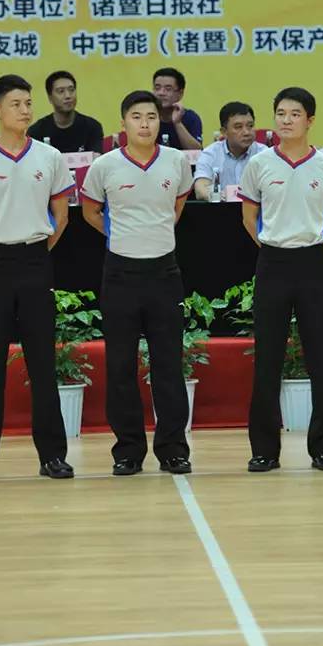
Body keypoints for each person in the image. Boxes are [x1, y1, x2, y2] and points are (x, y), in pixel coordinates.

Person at [0, 74, 74, 483]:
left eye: (28, 103)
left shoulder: (49, 156)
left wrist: (34, 250)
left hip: (37, 261)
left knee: (42, 362)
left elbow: (61, 216)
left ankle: (52, 456)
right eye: (16, 104)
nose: (25, 110)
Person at [81, 90, 193, 477]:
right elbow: (90, 211)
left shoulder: (176, 161)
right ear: (123, 123)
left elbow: (177, 207)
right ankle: (127, 450)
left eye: (151, 117)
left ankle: (173, 449)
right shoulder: (105, 166)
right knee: (120, 365)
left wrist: (152, 233)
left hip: (164, 273)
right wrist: (122, 236)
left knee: (168, 365)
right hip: (120, 274)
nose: (145, 124)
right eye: (136, 117)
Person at [239, 87, 323, 473]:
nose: (286, 120)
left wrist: (312, 249)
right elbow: (248, 217)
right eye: (281, 113)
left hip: (312, 263)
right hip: (272, 262)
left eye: (295, 114)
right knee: (267, 359)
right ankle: (264, 450)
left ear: (310, 120)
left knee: (321, 357)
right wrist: (274, 247)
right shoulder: (259, 164)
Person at [194, 101, 266, 200]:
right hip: (223, 207)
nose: (246, 132)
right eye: (238, 127)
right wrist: (221, 197)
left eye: (250, 126)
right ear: (224, 132)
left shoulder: (264, 153)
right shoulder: (210, 153)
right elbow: (200, 188)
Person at [27, 71, 103, 153]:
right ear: (50, 98)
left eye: (71, 90)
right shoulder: (36, 132)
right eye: (61, 91)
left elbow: (96, 158)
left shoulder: (92, 127)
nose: (68, 96)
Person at [152, 67, 202, 150]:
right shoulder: (147, 116)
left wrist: (177, 123)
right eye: (157, 88)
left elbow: (196, 152)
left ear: (180, 93)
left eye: (168, 89)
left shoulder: (190, 118)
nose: (161, 93)